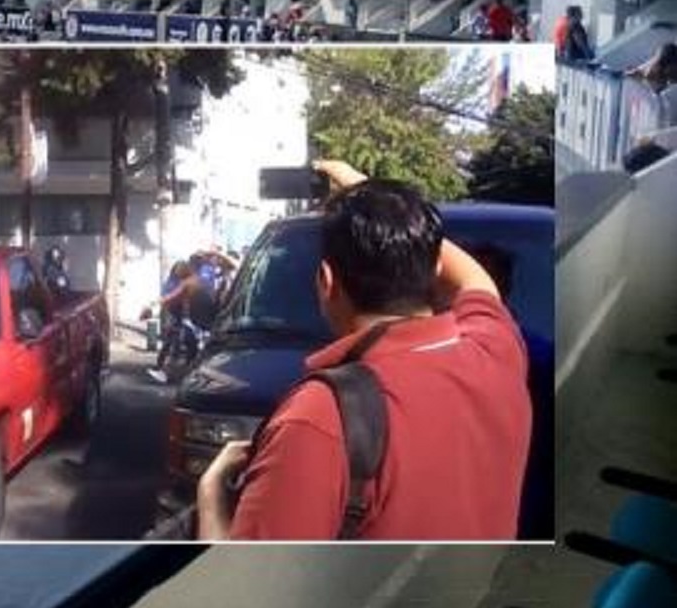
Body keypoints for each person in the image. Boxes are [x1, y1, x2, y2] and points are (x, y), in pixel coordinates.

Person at [195, 160, 531, 540]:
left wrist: (211, 497)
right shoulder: (494, 348)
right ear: (435, 267)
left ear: (325, 281)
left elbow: (246, 589)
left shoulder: (319, 418)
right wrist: (374, 195)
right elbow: (473, 278)